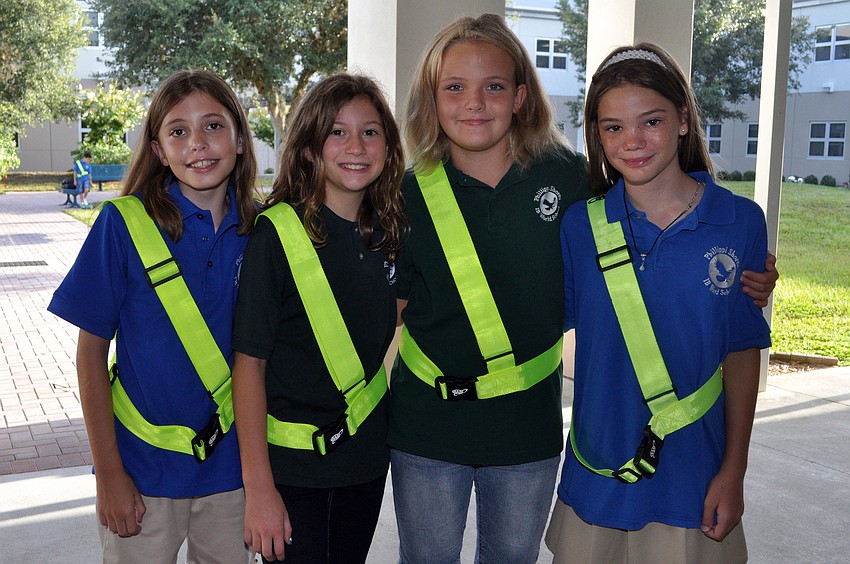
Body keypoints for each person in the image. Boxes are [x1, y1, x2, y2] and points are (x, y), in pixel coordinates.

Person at [390, 14, 778, 564]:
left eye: (493, 87)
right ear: (432, 98)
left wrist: (746, 276)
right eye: (455, 87)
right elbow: (383, 299)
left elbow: (660, 216)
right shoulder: (405, 194)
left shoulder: (569, 182)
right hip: (426, 427)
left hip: (529, 430)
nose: (474, 103)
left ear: (521, 96)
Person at [545, 43, 772, 563]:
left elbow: (741, 351)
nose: (633, 142)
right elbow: (536, 317)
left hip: (694, 478)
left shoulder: (739, 222)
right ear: (597, 137)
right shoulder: (581, 226)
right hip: (597, 476)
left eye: (651, 121)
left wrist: (734, 469)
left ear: (684, 120)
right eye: (612, 127)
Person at [47, 70, 258, 563]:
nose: (198, 144)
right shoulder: (121, 225)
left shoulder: (262, 229)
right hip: (139, 472)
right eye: (178, 131)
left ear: (241, 139)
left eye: (213, 126)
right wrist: (109, 474)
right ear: (160, 150)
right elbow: (91, 355)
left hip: (232, 474)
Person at [231, 73, 406, 563]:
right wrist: (259, 488)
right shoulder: (277, 234)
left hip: (365, 461)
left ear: (389, 148)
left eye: (370, 132)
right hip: (291, 470)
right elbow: (249, 365)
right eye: (337, 132)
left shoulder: (390, 232)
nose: (356, 145)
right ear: (309, 149)